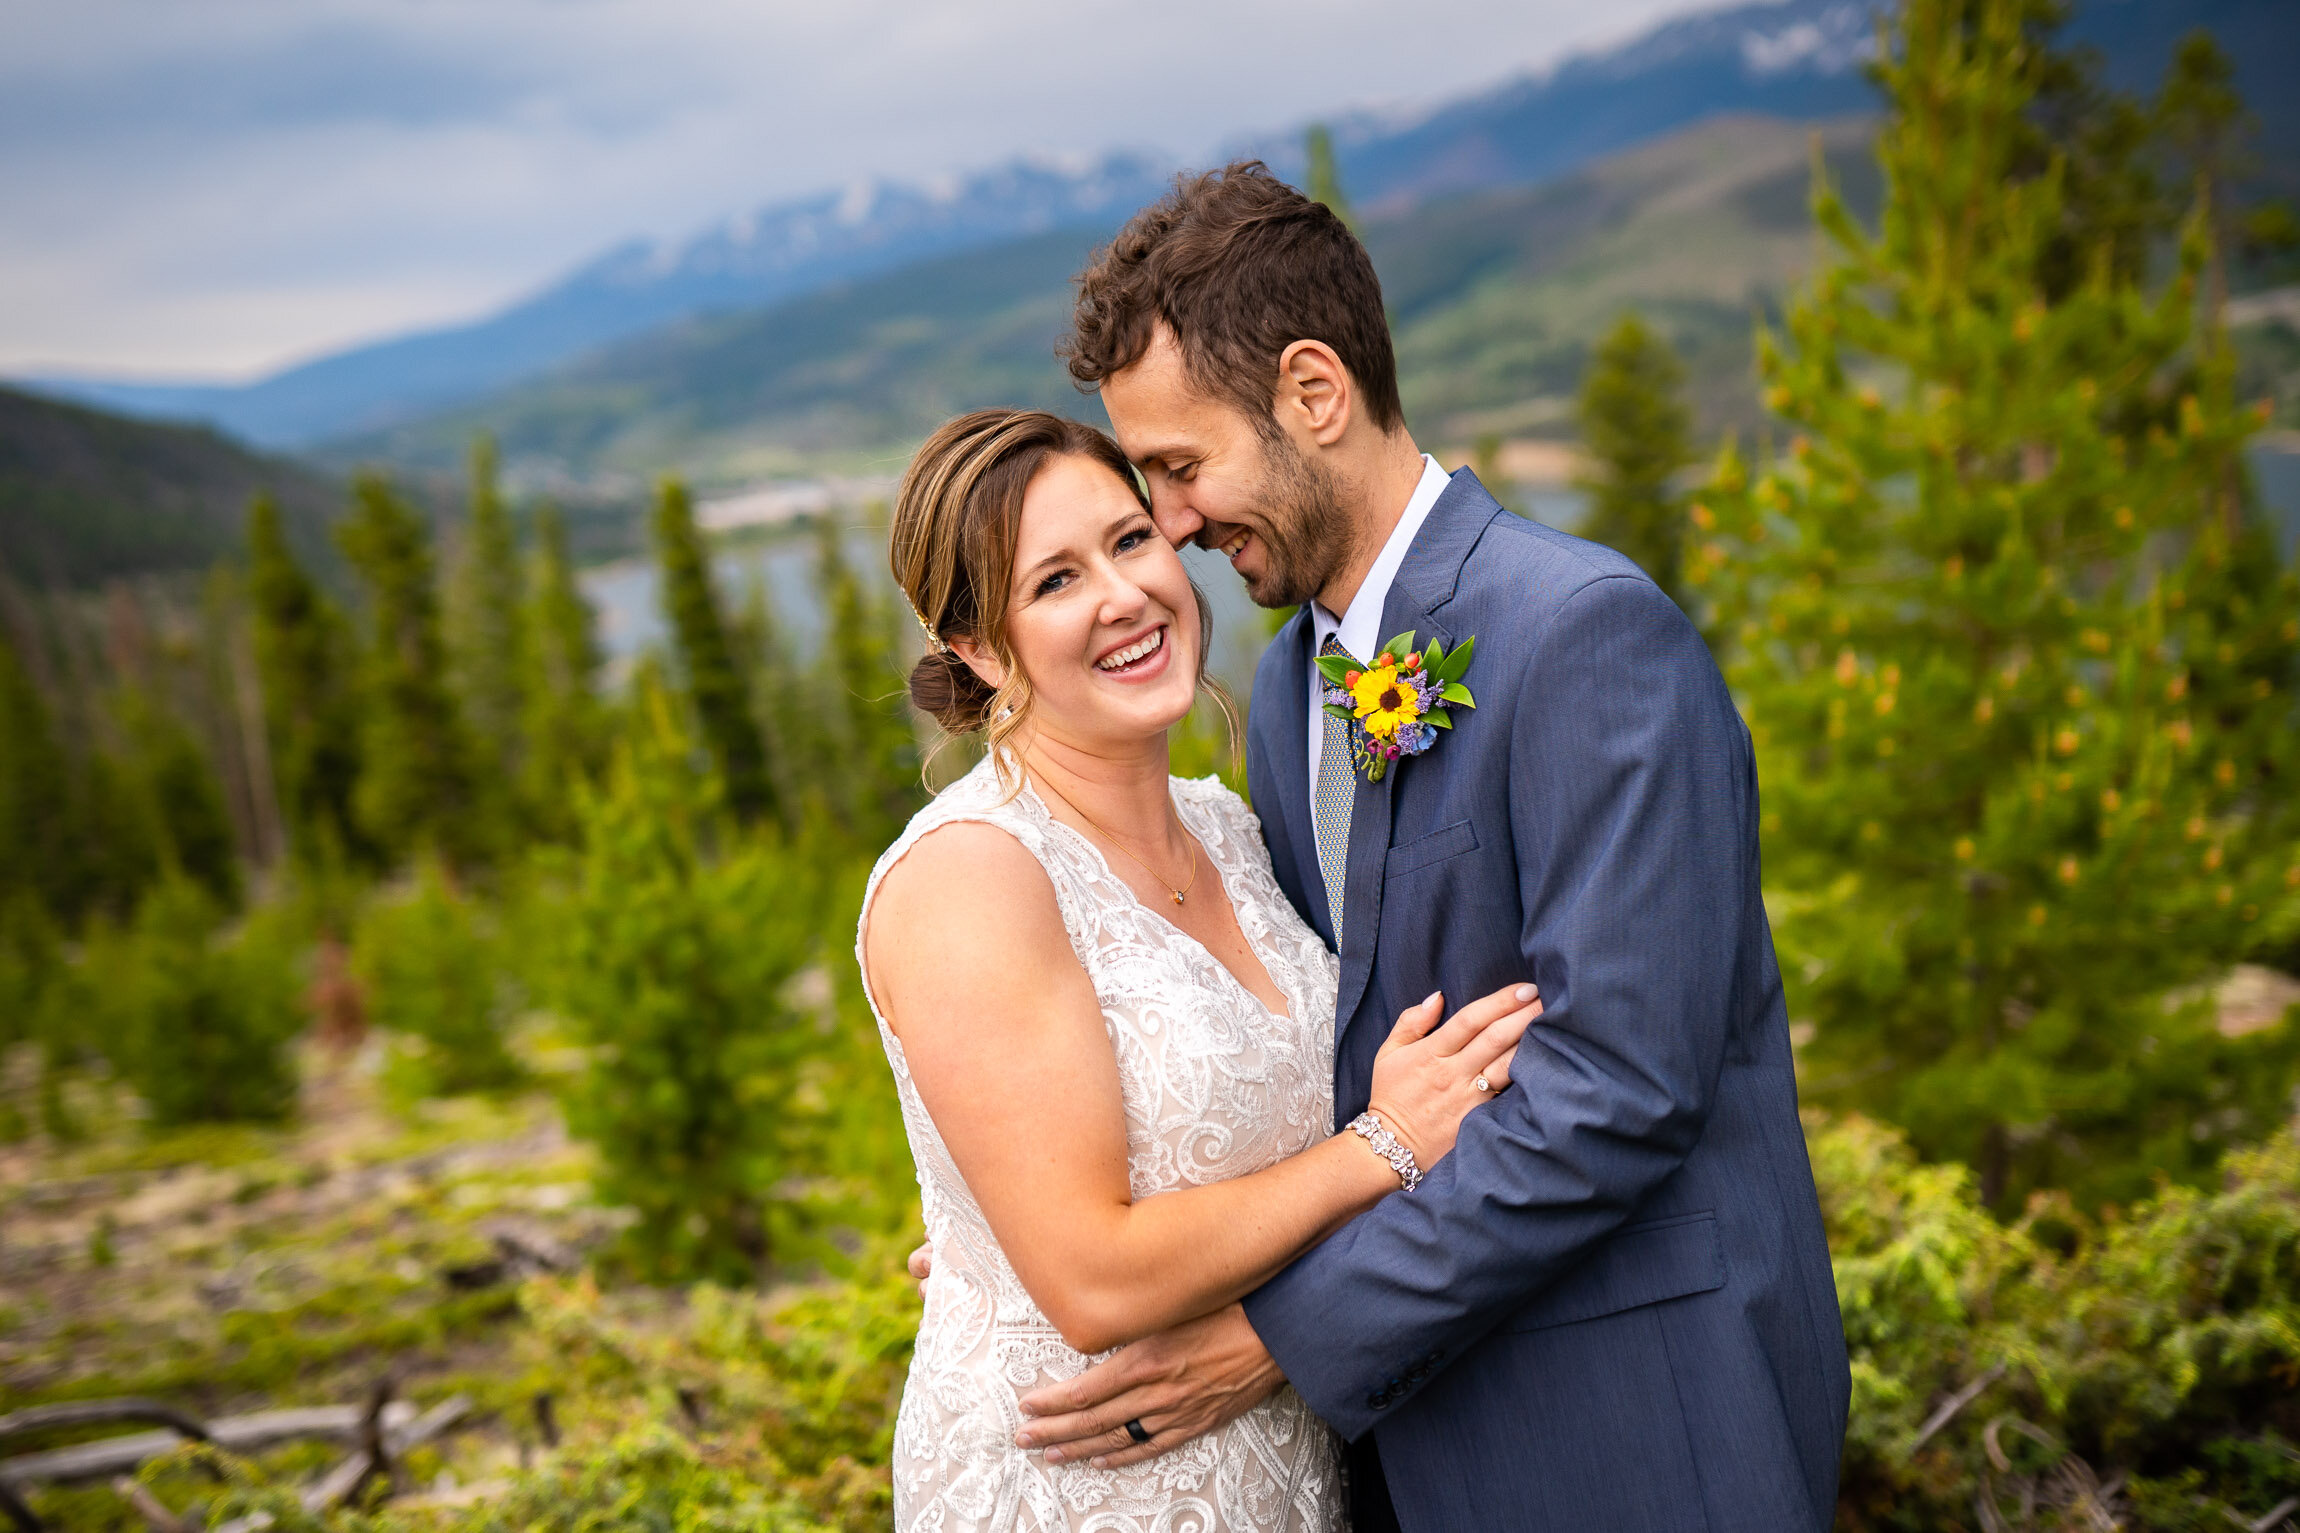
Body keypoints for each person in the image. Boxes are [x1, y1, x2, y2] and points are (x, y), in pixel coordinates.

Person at [927, 163, 1851, 1533]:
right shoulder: (1298, 681)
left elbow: (1619, 1087)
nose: (1172, 527)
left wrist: (1281, 1336)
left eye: (1178, 471)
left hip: (1637, 1414)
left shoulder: (1587, 632)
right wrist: (1013, 1236)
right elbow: (1327, 1060)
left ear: (1314, 393)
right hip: (1408, 1447)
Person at [860, 407, 1544, 1532]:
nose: (1123, 596)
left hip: (1281, 1458)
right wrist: (1385, 1144)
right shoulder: (973, 876)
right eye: (1053, 582)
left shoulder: (1225, 828)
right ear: (977, 649)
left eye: (1130, 542)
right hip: (1083, 1483)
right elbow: (1092, 1283)